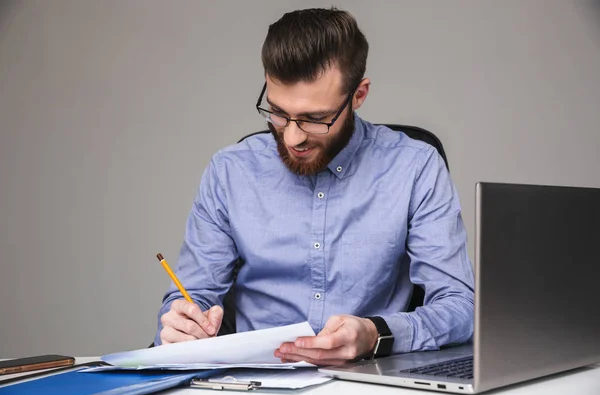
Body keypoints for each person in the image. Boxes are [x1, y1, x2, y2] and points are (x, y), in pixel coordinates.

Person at [154, 7, 474, 366]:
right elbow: (191, 296)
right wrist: (181, 323)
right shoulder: (229, 172)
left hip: (370, 383)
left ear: (359, 95)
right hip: (254, 385)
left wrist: (376, 333)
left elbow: (460, 307)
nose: (292, 137)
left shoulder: (415, 167)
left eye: (316, 118)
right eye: (277, 112)